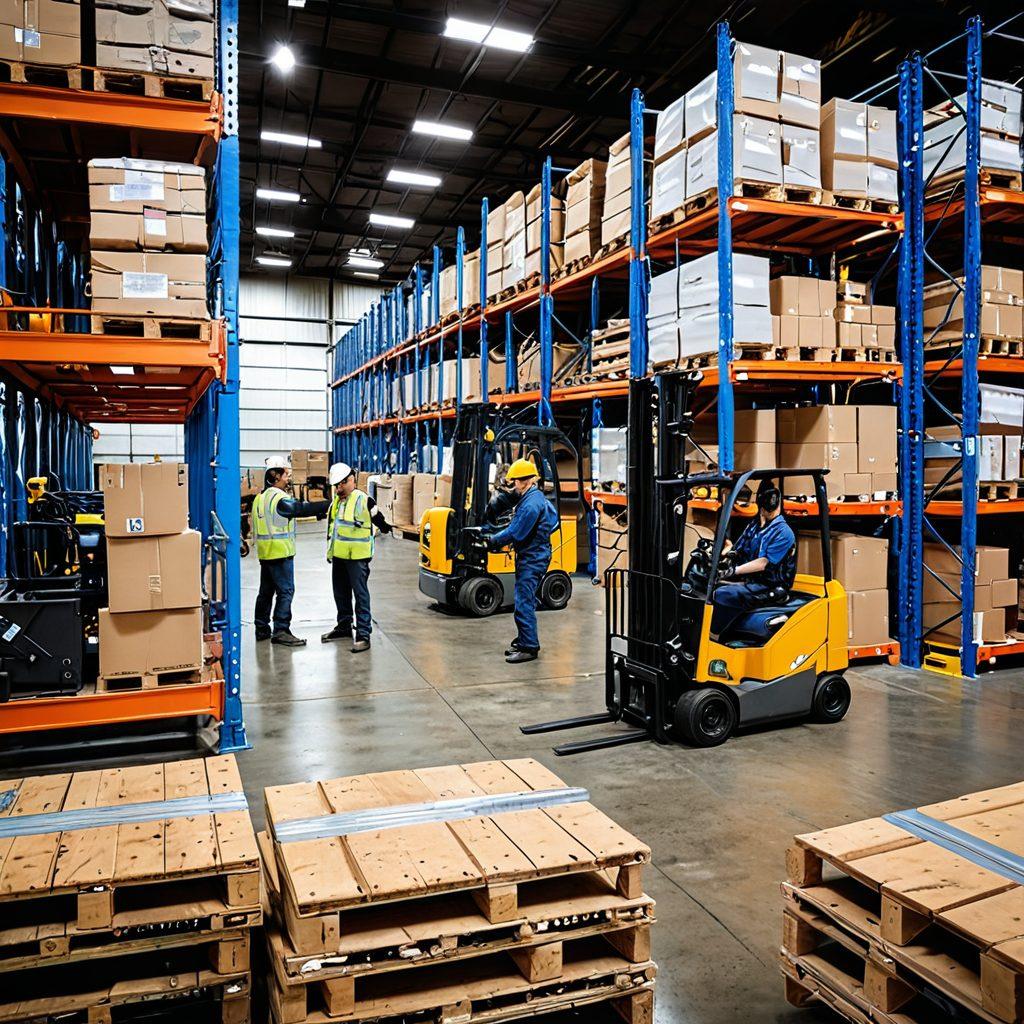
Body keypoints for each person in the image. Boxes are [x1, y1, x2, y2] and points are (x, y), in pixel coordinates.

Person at [483, 459, 559, 664]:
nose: (513, 485)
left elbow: (516, 532)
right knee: (525, 598)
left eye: (514, 481)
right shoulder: (532, 497)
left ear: (524, 481)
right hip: (532, 554)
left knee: (523, 601)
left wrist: (492, 541)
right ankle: (525, 637)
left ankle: (529, 647)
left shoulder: (531, 505)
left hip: (533, 558)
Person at [252, 457, 331, 647]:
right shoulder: (278, 499)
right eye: (286, 475)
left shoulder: (260, 498)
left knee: (266, 592)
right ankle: (281, 630)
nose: (288, 479)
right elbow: (298, 508)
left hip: (266, 553)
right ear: (276, 475)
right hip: (280, 554)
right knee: (286, 591)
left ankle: (261, 628)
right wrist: (328, 504)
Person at [321, 462, 392, 652]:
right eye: (336, 486)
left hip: (357, 559)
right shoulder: (336, 502)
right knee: (340, 594)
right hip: (339, 557)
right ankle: (344, 627)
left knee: (360, 596)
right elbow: (333, 529)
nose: (338, 489)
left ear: (351, 480)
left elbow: (381, 523)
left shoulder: (364, 500)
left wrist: (385, 528)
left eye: (341, 485)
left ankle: (363, 634)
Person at [711, 481, 796, 635]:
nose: (769, 512)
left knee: (723, 594)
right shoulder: (755, 526)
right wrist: (722, 557)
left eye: (770, 510)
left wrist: (733, 571)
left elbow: (763, 563)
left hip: (771, 585)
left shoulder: (784, 532)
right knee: (710, 586)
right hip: (754, 580)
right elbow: (737, 548)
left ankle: (713, 635)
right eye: (765, 510)